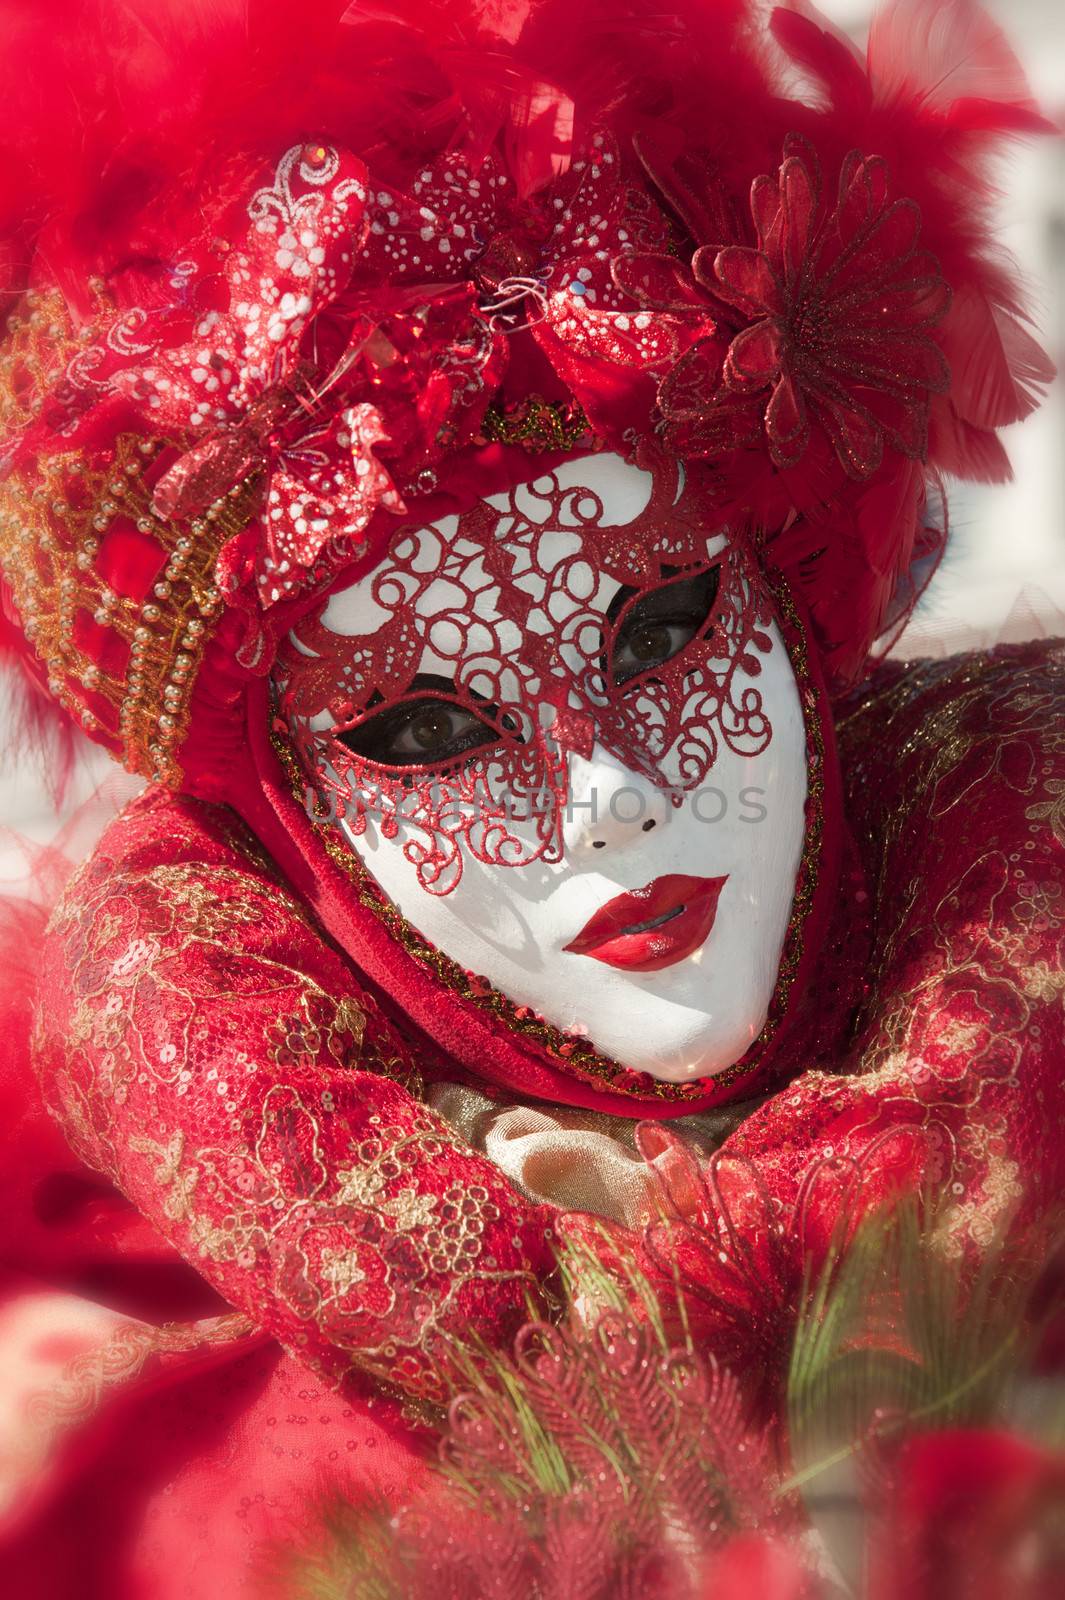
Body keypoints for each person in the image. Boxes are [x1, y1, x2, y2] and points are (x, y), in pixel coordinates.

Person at [0, 0, 1060, 1593]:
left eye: (659, 628)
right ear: (287, 817)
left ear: (787, 595)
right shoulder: (161, 1484)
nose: (610, 803)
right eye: (423, 731)